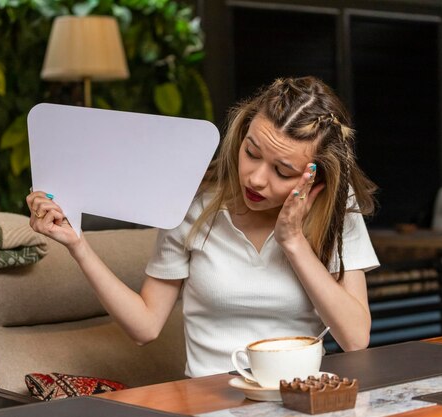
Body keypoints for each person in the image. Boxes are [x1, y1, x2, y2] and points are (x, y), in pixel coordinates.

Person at [27, 76, 379, 378]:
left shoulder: (336, 208)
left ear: (316, 174)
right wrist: (78, 245)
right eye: (251, 152)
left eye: (283, 172)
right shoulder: (192, 202)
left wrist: (294, 242)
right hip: (209, 401)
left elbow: (354, 338)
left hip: (300, 401)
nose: (256, 179)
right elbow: (144, 328)